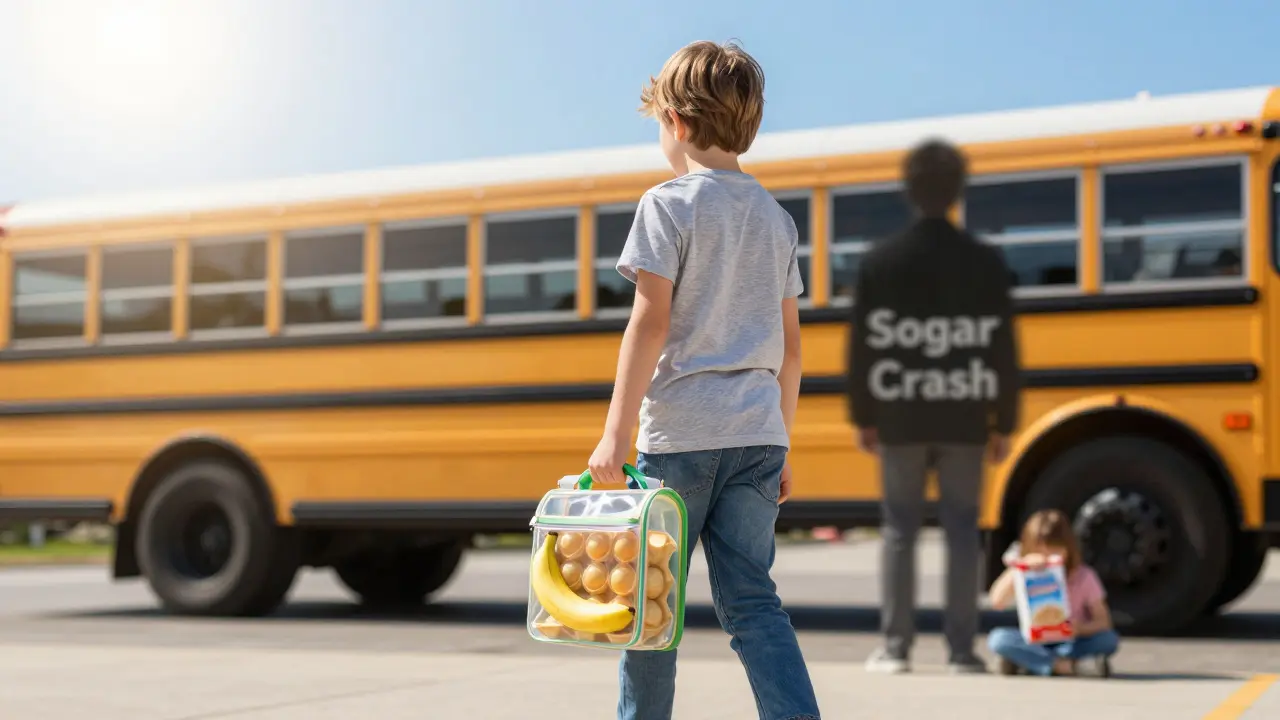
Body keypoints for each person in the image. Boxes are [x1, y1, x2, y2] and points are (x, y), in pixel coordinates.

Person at [585, 39, 822, 720]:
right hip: (758, 437)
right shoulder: (777, 221)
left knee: (649, 605)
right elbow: (792, 351)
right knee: (753, 602)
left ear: (678, 122)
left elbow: (649, 324)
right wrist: (782, 441)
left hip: (681, 439)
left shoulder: (667, 205)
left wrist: (615, 436)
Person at [847, 138, 1022, 675]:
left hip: (900, 416)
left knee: (899, 531)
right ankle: (962, 651)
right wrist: (1004, 421)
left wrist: (865, 414)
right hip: (965, 415)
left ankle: (896, 647)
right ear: (957, 191)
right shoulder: (985, 262)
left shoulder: (881, 262)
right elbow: (1001, 348)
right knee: (963, 533)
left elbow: (864, 348)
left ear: (910, 190)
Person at [987, 509, 1121, 676]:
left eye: (1054, 551)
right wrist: (1018, 569)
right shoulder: (1024, 572)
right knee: (999, 639)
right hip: (1035, 640)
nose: (1046, 558)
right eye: (1040, 552)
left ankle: (1032, 663)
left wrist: (1080, 628)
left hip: (1070, 642)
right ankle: (1063, 665)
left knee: (1108, 639)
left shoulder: (1083, 576)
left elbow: (1103, 621)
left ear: (1068, 549)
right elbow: (996, 601)